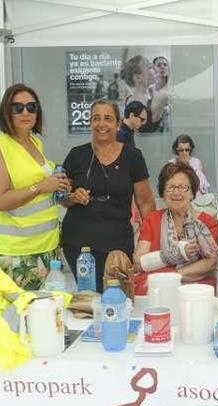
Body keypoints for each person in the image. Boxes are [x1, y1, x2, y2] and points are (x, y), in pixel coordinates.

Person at [0, 83, 71, 290]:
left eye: (32, 107)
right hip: (17, 254)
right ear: (6, 112)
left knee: (47, 315)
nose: (25, 112)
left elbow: (41, 191)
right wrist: (41, 186)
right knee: (22, 317)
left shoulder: (35, 143)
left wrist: (60, 186)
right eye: (17, 107)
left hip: (47, 248)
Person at [61, 99, 155, 291]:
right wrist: (73, 197)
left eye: (107, 118)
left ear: (118, 123)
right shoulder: (76, 155)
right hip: (78, 245)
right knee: (89, 300)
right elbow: (61, 197)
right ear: (89, 123)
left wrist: (148, 242)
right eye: (96, 118)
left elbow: (145, 203)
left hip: (118, 245)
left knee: (117, 298)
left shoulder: (133, 157)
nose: (101, 124)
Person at [133, 161, 218, 295]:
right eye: (171, 187)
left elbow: (210, 263)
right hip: (155, 283)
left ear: (192, 193)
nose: (176, 192)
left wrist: (172, 277)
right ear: (163, 192)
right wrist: (169, 256)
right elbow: (139, 261)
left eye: (183, 187)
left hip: (193, 282)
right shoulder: (152, 219)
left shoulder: (207, 222)